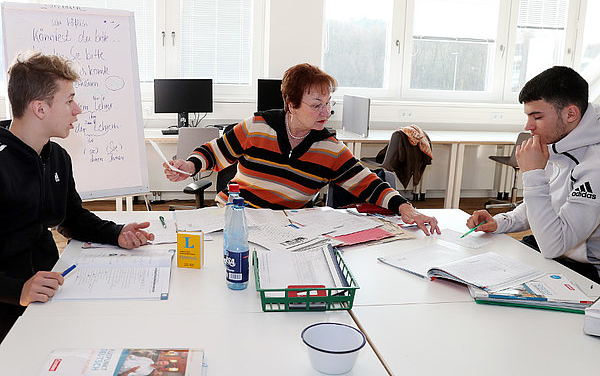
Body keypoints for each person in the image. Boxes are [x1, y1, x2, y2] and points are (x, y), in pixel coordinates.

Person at [164, 63, 439, 235]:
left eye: (329, 103)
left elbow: (368, 184)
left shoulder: (330, 149)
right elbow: (214, 152)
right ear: (291, 104)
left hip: (287, 230)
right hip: (236, 219)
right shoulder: (258, 126)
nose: (326, 112)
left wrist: (406, 208)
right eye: (316, 104)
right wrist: (188, 166)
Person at [0, 52, 155, 341]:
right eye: (69, 100)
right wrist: (16, 290)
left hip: (51, 288)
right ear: (40, 109)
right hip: (9, 307)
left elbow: (70, 217)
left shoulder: (56, 155)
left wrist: (117, 233)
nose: (78, 109)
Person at [467, 66, 600, 282]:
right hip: (556, 251)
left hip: (587, 272)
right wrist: (502, 221)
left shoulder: (594, 165)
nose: (528, 126)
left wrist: (533, 174)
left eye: (536, 117)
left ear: (571, 114)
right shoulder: (563, 141)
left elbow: (553, 245)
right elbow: (546, 204)